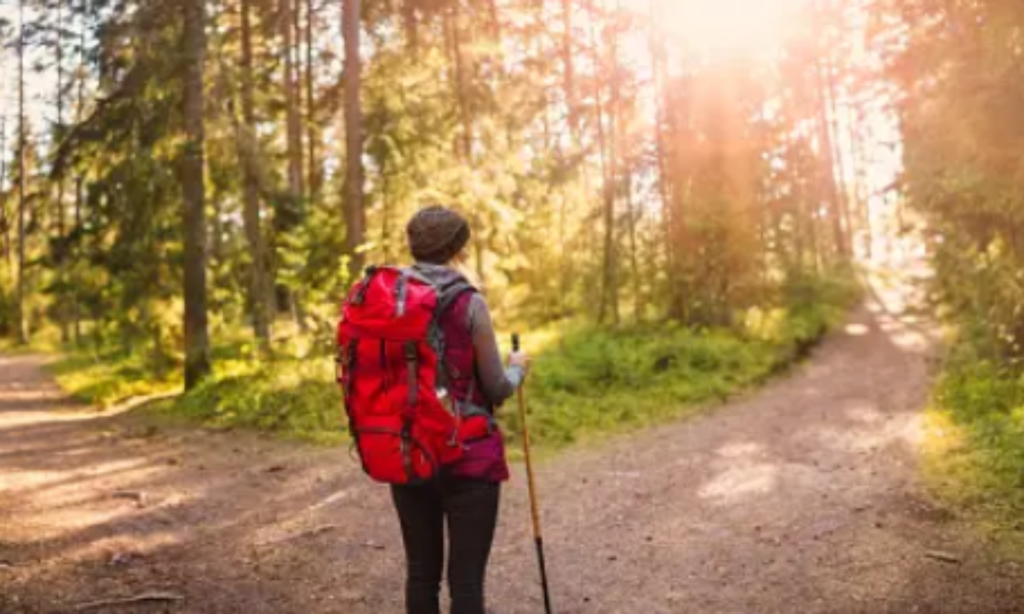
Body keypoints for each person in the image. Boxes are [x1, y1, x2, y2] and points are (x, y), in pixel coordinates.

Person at [392, 205, 530, 614]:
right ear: (457, 248)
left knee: (420, 575)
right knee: (466, 583)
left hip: (408, 450)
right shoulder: (469, 303)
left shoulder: (388, 299)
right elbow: (497, 387)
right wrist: (518, 370)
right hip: (467, 455)